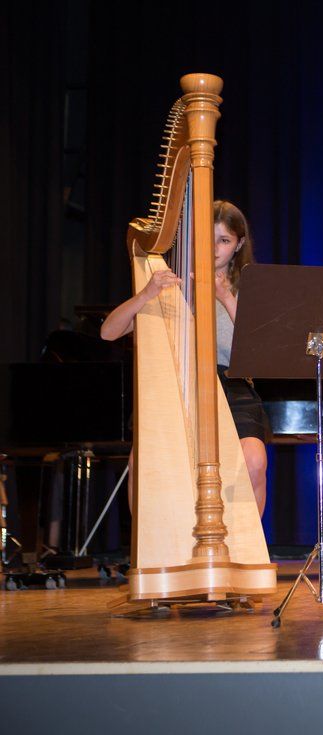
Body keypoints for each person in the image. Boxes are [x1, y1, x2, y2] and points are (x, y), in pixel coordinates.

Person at [101, 200, 271, 516]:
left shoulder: (249, 289)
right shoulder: (169, 284)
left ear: (238, 245)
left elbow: (259, 349)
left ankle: (250, 544)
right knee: (142, 461)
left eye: (224, 240)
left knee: (254, 459)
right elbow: (108, 332)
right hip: (177, 386)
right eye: (208, 239)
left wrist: (225, 296)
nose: (214, 249)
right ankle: (149, 543)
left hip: (231, 386)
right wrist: (145, 294)